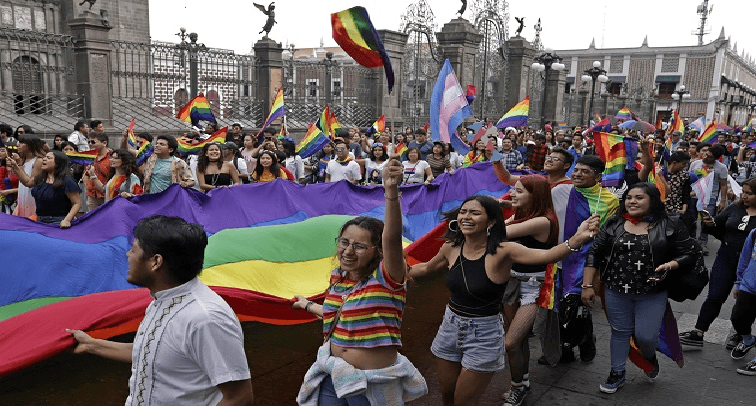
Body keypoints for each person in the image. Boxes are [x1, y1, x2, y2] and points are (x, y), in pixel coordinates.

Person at [407, 194, 599, 406]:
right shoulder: (450, 247)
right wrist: (392, 270)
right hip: (449, 328)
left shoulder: (504, 250)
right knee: (447, 395)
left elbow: (549, 256)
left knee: (462, 402)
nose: (466, 217)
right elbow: (424, 269)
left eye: (474, 213)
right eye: (463, 212)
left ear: (491, 222)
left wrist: (578, 238)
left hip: (483, 334)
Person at [66, 215, 254, 405]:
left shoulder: (206, 318)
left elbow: (239, 398)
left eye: (133, 250)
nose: (127, 255)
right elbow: (152, 351)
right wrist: (91, 345)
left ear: (156, 262)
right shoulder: (161, 299)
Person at [292, 160, 428, 405]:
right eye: (344, 242)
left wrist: (391, 193)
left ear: (377, 251)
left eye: (359, 246)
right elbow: (338, 314)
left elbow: (393, 237)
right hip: (334, 377)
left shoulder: (388, 278)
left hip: (373, 384)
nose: (348, 251)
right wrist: (306, 305)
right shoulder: (338, 278)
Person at [582, 182, 696, 393]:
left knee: (646, 336)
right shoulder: (614, 223)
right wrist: (587, 285)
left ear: (652, 200)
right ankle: (617, 372)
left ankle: (648, 356)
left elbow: (690, 253)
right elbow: (594, 253)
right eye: (629, 197)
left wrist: (670, 265)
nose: (632, 201)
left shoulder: (670, 223)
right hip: (615, 291)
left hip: (652, 292)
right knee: (619, 332)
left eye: (639, 197)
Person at [500, 176, 560, 406]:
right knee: (520, 339)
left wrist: (490, 210)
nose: (511, 195)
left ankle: (518, 387)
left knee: (511, 342)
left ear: (535, 196)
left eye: (518, 191)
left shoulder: (543, 221)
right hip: (512, 283)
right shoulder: (525, 215)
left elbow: (499, 233)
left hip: (534, 289)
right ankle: (521, 384)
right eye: (512, 191)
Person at [679, 177, 756, 350]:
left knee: (745, 303)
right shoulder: (734, 208)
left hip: (751, 267)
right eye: (743, 192)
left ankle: (742, 334)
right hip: (726, 259)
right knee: (715, 296)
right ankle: (699, 332)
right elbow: (719, 228)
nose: (744, 196)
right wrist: (710, 223)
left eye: (749, 194)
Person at [7, 150, 81, 228]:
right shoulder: (40, 179)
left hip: (59, 222)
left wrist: (67, 220)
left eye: (48, 158)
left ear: (58, 163)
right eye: (44, 157)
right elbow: (27, 182)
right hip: (40, 221)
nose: (44, 159)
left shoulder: (67, 181)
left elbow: (77, 203)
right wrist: (16, 167)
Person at [690, 144, 729, 255]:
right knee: (691, 219)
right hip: (693, 196)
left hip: (709, 198)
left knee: (706, 221)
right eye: (706, 154)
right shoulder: (694, 164)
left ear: (716, 158)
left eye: (710, 157)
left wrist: (722, 201)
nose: (706, 157)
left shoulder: (721, 168)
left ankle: (703, 243)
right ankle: (691, 241)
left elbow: (723, 185)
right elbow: (688, 179)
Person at [732, 227, 756, 374]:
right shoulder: (754, 233)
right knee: (737, 318)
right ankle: (748, 340)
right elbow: (745, 257)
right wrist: (739, 282)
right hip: (749, 285)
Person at [10, 134, 45, 218]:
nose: (18, 145)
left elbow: (29, 183)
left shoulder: (38, 161)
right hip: (22, 197)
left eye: (22, 143)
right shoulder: (24, 160)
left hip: (32, 198)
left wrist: (17, 166)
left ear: (30, 145)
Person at [82, 132, 111, 211]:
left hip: (108, 195)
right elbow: (85, 175)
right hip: (92, 195)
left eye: (93, 142)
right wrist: (87, 188)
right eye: (89, 142)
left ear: (104, 143)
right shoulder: (90, 157)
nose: (90, 144)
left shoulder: (112, 157)